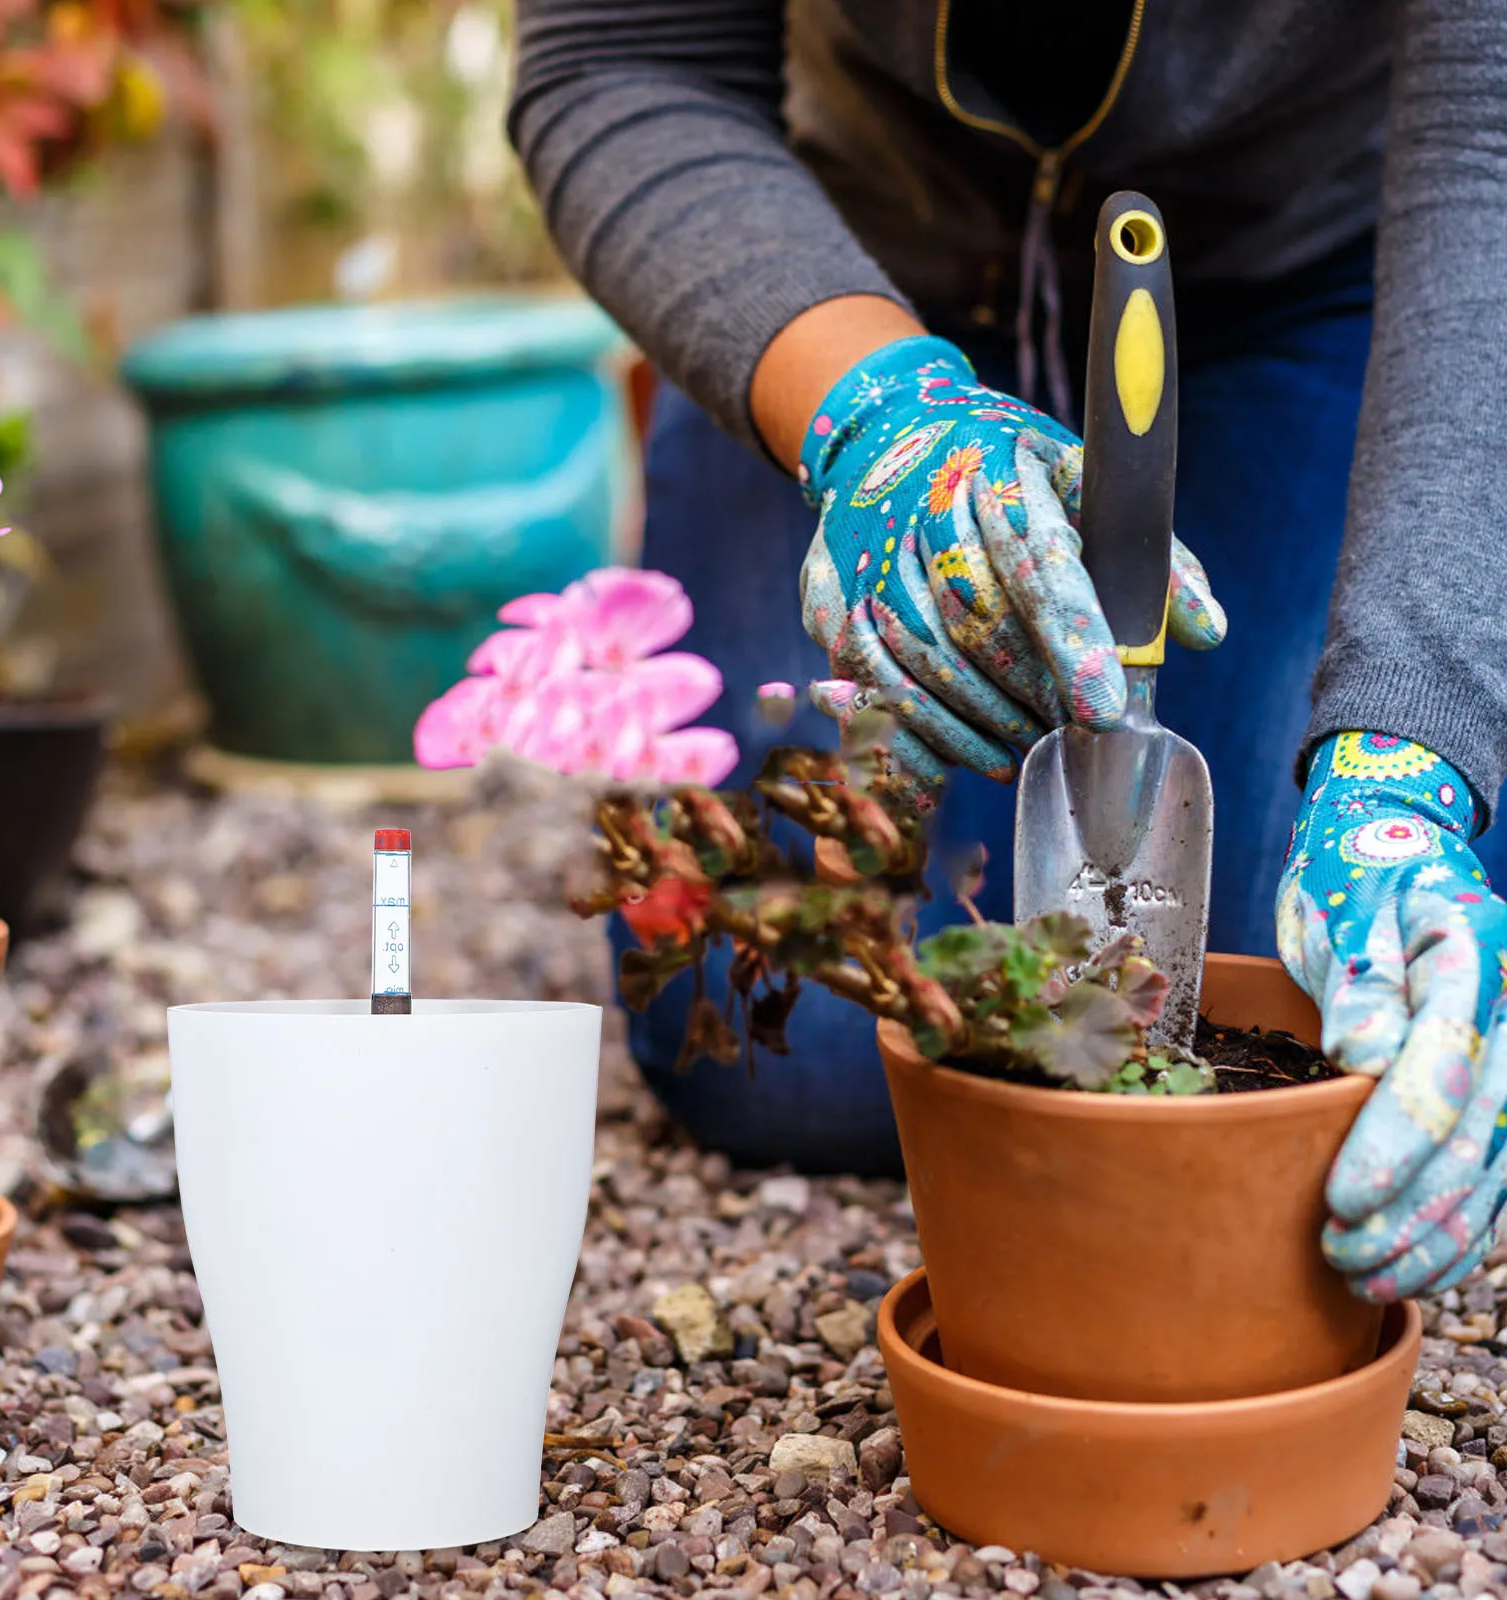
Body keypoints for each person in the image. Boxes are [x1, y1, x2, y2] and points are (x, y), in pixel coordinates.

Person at [507, 0, 1507, 1301]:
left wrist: (1409, 754)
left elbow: (1488, 138)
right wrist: (878, 416)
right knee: (793, 1047)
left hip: (1310, 282)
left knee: (1311, 1022)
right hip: (834, 274)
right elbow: (622, 56)